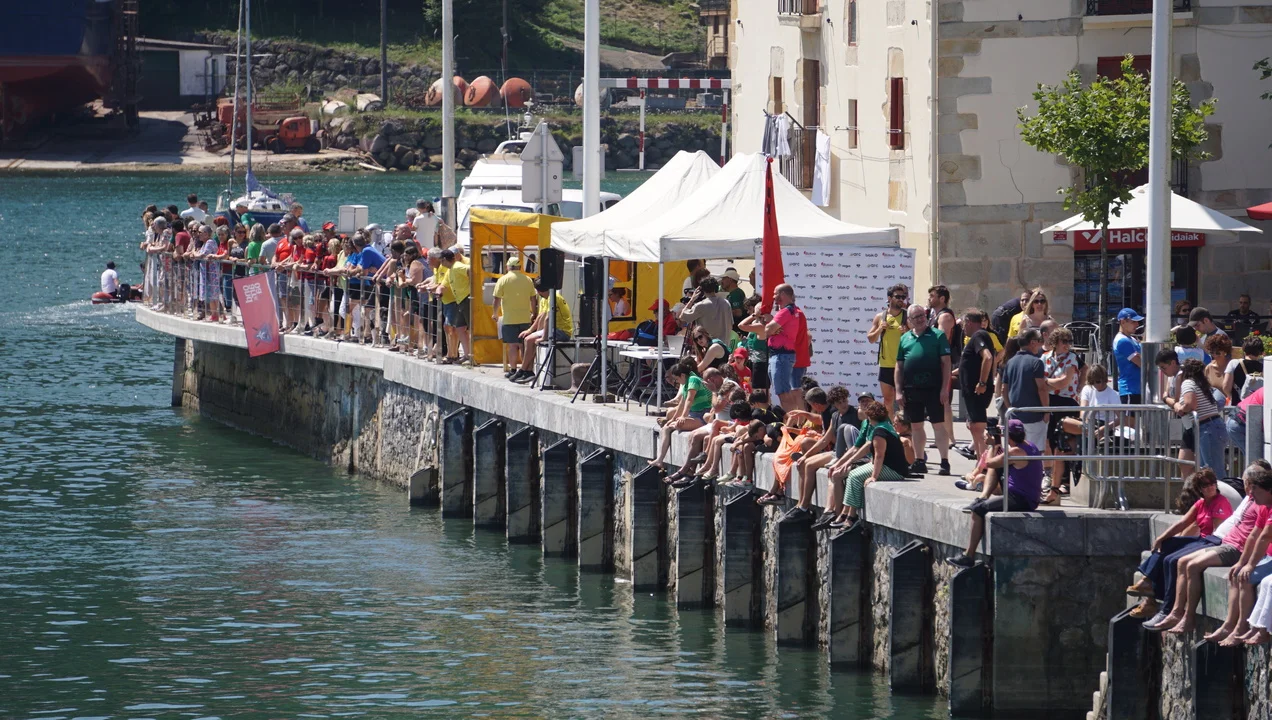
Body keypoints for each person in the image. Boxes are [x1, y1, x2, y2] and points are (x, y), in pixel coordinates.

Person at [1150, 464, 1272, 636]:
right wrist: (1162, 537)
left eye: (1252, 486)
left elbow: (1260, 537)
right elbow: (1185, 522)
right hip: (1225, 542)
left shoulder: (1259, 503)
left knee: (1193, 565)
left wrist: (1246, 563)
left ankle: (1190, 617)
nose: (1248, 490)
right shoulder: (1251, 499)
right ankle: (1175, 612)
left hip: (1234, 547)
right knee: (1179, 561)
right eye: (1248, 485)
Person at [1126, 468, 1233, 619]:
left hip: (1211, 543)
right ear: (1199, 489)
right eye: (1205, 485)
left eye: (1212, 483)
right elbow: (1182, 523)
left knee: (1172, 559)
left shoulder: (1220, 502)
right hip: (1201, 540)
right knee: (1166, 545)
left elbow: (1217, 534)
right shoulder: (1201, 503)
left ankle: (1154, 597)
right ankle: (1147, 585)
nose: (1210, 487)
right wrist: (1161, 538)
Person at [947, 419, 1045, 568]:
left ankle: (968, 556)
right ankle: (983, 497)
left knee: (977, 510)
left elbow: (989, 463)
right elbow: (998, 463)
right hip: (1026, 495)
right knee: (998, 468)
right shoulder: (1030, 446)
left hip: (1020, 498)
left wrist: (993, 445)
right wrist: (997, 443)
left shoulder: (1015, 452)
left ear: (1009, 436)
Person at [820, 401, 913, 531]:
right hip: (887, 466)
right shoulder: (884, 426)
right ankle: (847, 513)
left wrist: (874, 477)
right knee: (853, 474)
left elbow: (879, 456)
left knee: (855, 477)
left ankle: (851, 516)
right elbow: (866, 448)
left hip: (894, 470)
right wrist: (847, 462)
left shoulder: (879, 431)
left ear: (870, 417)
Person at [894, 303, 952, 476]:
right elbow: (899, 366)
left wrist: (944, 389)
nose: (920, 319)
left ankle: (944, 462)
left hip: (934, 388)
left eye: (922, 315)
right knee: (916, 425)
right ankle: (919, 461)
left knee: (938, 425)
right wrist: (898, 391)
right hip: (911, 389)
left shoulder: (938, 335)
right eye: (916, 317)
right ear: (909, 320)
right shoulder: (904, 338)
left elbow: (946, 363)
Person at [787, 386, 857, 521]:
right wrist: (805, 456)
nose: (843, 405)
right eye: (839, 403)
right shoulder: (835, 416)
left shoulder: (856, 413)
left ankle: (818, 510)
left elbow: (831, 440)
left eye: (844, 401)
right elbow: (825, 439)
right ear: (834, 404)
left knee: (816, 467)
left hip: (846, 453)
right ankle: (802, 505)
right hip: (837, 452)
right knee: (805, 462)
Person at [1042, 327, 1083, 497]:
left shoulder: (1072, 358)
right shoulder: (1045, 357)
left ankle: (1065, 480)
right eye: (1064, 341)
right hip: (1050, 400)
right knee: (1051, 440)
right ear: (1055, 342)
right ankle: (1053, 478)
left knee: (1066, 441)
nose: (1067, 345)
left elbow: (1064, 382)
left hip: (1067, 401)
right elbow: (1040, 381)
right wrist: (1050, 382)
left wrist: (1046, 382)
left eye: (1069, 341)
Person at [649, 359, 711, 468]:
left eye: (677, 379)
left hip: (702, 416)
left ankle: (687, 466)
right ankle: (659, 460)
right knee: (666, 427)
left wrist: (683, 416)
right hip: (694, 414)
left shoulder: (693, 380)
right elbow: (682, 403)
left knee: (676, 425)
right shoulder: (686, 382)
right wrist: (673, 418)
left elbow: (689, 400)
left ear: (682, 375)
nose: (677, 382)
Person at [510, 279, 574, 384]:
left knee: (530, 340)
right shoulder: (546, 298)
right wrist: (530, 331)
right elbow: (541, 316)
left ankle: (523, 370)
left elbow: (548, 319)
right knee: (527, 339)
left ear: (539, 291)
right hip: (553, 329)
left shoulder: (553, 298)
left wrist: (543, 337)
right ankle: (528, 371)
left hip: (562, 331)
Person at [1170, 358, 1226, 473]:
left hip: (1206, 427)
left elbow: (1190, 404)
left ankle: (1219, 485)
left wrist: (1180, 409)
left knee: (1211, 470)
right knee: (1208, 469)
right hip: (1213, 425)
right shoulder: (1202, 384)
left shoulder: (1188, 383)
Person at [1002, 328, 1050, 460]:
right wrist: (1046, 411)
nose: (1041, 343)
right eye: (1040, 340)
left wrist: (1010, 408)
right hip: (1034, 415)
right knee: (1035, 452)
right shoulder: (1036, 362)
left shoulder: (1010, 362)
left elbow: (1004, 389)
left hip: (1015, 416)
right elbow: (1042, 388)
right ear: (1033, 342)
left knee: (1016, 452)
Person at [958, 309, 996, 464]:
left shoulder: (979, 335)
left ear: (968, 322)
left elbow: (988, 358)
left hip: (977, 391)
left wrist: (982, 382)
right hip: (971, 391)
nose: (963, 328)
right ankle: (980, 464)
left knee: (979, 428)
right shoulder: (976, 337)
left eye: (963, 324)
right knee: (974, 426)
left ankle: (984, 466)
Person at [765, 284, 809, 412]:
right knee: (784, 392)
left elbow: (768, 330)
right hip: (780, 355)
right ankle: (793, 420)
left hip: (782, 356)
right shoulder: (792, 311)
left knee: (784, 393)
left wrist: (771, 327)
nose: (773, 297)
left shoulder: (787, 311)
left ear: (783, 294)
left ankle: (792, 421)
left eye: (775, 293)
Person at [492, 256, 536, 376]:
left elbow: (496, 299)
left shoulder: (503, 280)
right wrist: (534, 313)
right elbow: (533, 299)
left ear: (507, 267)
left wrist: (495, 313)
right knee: (523, 346)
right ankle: (525, 369)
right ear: (520, 267)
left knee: (512, 346)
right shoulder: (528, 279)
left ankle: (513, 370)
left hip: (509, 319)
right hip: (525, 318)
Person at [868, 284, 909, 414]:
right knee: (888, 400)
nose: (901, 299)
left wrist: (907, 332)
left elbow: (918, 338)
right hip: (886, 364)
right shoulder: (880, 316)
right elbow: (870, 338)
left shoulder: (907, 316)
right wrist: (880, 329)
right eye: (898, 297)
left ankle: (905, 426)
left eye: (903, 297)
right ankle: (891, 426)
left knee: (904, 400)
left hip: (903, 364)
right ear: (889, 298)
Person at [436, 248, 472, 366]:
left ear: (445, 259)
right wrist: (439, 291)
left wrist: (472, 287)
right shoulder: (450, 270)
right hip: (460, 301)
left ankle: (474, 355)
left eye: (441, 260)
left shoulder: (457, 266)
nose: (441, 263)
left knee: (471, 329)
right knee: (460, 328)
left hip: (466, 299)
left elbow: (470, 270)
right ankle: (467, 355)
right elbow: (444, 285)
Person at [678, 276, 733, 344]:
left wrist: (692, 299)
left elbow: (682, 317)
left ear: (702, 289)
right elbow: (731, 324)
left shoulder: (701, 306)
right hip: (725, 345)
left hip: (709, 346)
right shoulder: (726, 303)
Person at [1112, 308, 1143, 403]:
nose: (1137, 324)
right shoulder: (1122, 341)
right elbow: (1141, 363)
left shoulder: (1132, 339)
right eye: (1133, 322)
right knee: (1131, 414)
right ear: (1123, 322)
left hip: (1136, 388)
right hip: (1129, 389)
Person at [1225, 336, 1265, 406]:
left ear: (1244, 349)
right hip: (1258, 408)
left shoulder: (1234, 363)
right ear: (1261, 352)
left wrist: (1231, 397)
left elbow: (1226, 386)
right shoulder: (1264, 367)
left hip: (1238, 405)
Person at [1228, 387, 1264, 459]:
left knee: (1255, 457)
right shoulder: (1267, 393)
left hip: (1238, 420)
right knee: (1256, 458)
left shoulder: (1266, 389)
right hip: (1240, 422)